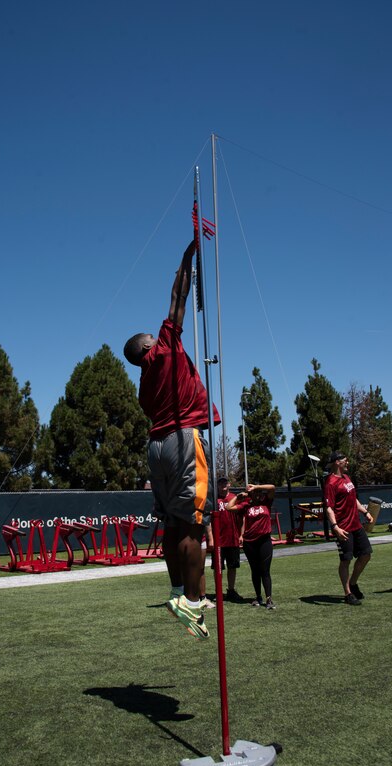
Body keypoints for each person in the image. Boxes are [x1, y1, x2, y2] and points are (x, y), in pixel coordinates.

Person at [123, 239, 220, 640]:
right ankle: (196, 604)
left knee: (172, 525)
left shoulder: (143, 387)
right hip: (182, 440)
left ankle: (178, 593)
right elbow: (178, 293)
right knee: (193, 528)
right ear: (147, 345)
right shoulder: (163, 348)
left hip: (157, 446)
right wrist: (188, 254)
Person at [323, 451, 373, 606]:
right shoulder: (330, 482)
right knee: (346, 560)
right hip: (343, 528)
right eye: (345, 460)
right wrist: (335, 527)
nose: (348, 463)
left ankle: (353, 582)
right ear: (337, 462)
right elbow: (329, 508)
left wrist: (365, 512)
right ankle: (348, 594)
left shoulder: (347, 478)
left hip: (356, 524)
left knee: (366, 555)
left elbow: (354, 499)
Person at [226, 483, 277, 609]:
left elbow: (272, 488)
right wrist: (239, 496)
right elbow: (228, 507)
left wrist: (257, 487)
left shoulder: (266, 502)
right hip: (250, 542)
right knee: (255, 570)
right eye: (255, 493)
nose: (258, 494)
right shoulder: (246, 505)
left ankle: (269, 599)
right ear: (250, 495)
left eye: (259, 492)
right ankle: (258, 597)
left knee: (265, 570)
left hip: (264, 540)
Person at [212, 477, 242, 601]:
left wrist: (241, 535)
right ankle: (218, 591)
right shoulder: (214, 499)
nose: (223, 484)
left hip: (232, 537)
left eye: (225, 482)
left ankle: (231, 590)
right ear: (217, 485)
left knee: (232, 566)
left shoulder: (234, 498)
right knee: (218, 568)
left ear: (229, 484)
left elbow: (242, 517)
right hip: (218, 539)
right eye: (220, 483)